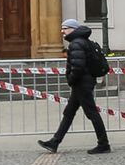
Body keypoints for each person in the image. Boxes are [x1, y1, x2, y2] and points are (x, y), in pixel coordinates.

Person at [40, 18, 110, 154]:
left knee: (92, 113)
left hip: (81, 83)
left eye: (65, 28)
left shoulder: (76, 44)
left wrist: (71, 80)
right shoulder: (83, 41)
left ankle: (104, 144)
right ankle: (55, 142)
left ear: (73, 29)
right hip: (84, 82)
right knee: (69, 112)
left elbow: (77, 67)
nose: (62, 31)